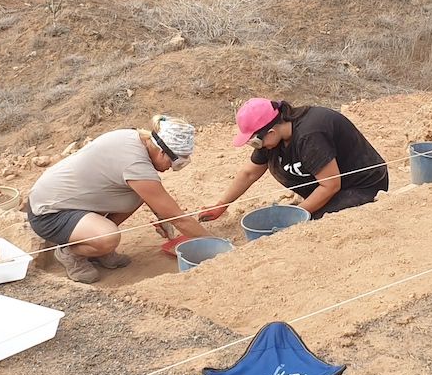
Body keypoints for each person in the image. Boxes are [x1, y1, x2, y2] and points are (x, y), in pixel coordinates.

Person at [26, 115, 213, 283]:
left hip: (71, 201)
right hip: (49, 213)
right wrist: (216, 246)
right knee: (108, 237)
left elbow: (157, 200)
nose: (172, 168)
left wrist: (163, 217)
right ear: (162, 151)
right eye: (176, 162)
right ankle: (71, 252)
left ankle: (95, 247)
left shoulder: (135, 139)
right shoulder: (136, 164)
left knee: (136, 194)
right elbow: (178, 218)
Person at [204, 99, 389, 222]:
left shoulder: (310, 135)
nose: (256, 147)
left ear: (271, 131)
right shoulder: (272, 140)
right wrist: (221, 205)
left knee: (311, 223)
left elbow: (330, 185)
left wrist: (295, 216)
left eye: (255, 141)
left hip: (361, 186)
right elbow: (249, 173)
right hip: (330, 187)